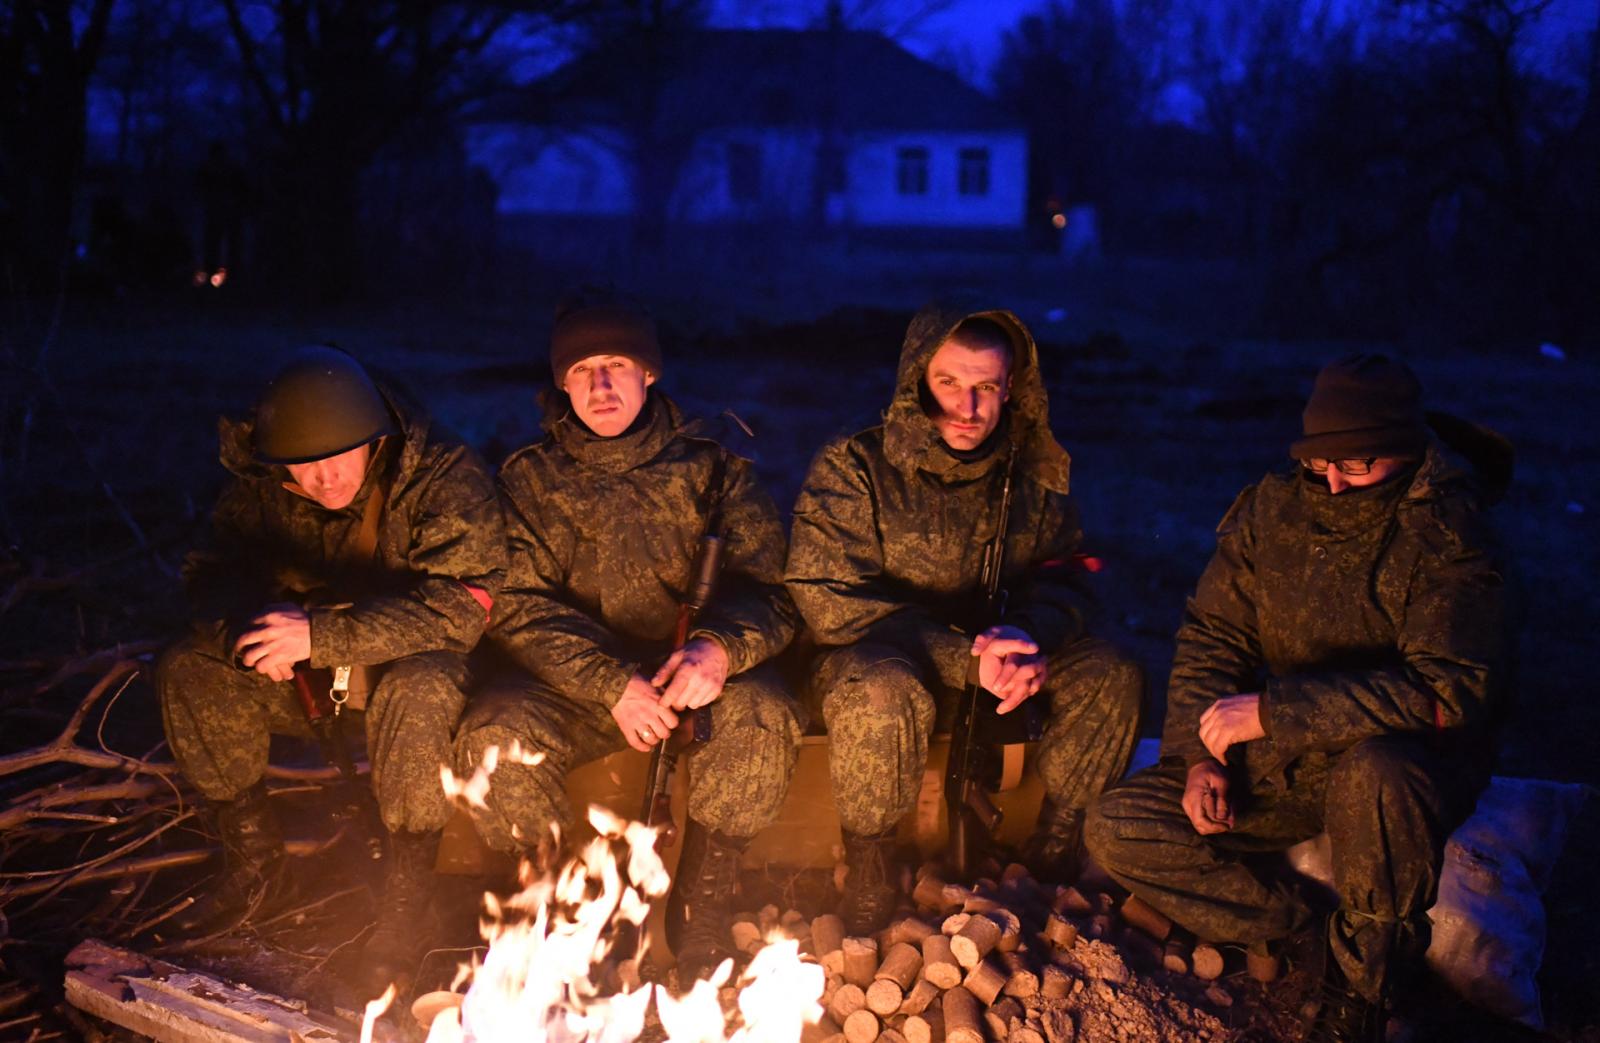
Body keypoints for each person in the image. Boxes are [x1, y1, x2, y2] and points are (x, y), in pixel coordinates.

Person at [1085, 353, 1512, 1042]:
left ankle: (1361, 991)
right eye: (1321, 464)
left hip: (1398, 764)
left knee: (1376, 772)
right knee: (1120, 824)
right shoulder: (1275, 509)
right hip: (1282, 761)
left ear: (1403, 451)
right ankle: (1303, 930)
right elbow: (1214, 633)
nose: (1335, 484)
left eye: (1359, 466)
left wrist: (1272, 711)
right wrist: (1199, 757)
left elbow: (1447, 691)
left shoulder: (1449, 534)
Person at [453, 290, 804, 981]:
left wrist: (720, 649)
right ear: (561, 383)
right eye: (582, 370)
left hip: (693, 681)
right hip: (578, 690)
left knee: (765, 712)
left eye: (617, 364)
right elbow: (514, 603)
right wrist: (610, 682)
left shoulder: (716, 466)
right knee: (493, 731)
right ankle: (559, 920)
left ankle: (702, 907)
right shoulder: (528, 478)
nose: (601, 385)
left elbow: (780, 592)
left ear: (650, 373)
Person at [157, 346, 506, 996]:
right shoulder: (264, 487)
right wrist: (250, 630)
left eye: (337, 457)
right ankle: (255, 862)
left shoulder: (442, 476)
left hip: (426, 692)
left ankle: (409, 896)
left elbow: (463, 610)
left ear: (372, 437)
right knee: (191, 667)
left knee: (419, 683)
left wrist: (319, 634)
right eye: (303, 465)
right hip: (316, 678)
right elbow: (210, 570)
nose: (322, 479)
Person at [785, 302, 1144, 932]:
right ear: (918, 378)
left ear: (1011, 390)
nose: (966, 408)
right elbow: (826, 598)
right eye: (949, 383)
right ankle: (871, 869)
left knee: (1113, 672)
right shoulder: (855, 467)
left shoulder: (1033, 476)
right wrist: (966, 658)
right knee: (881, 688)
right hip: (877, 672)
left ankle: (1054, 851)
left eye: (985, 388)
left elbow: (1072, 575)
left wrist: (1032, 640)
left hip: (1001, 672)